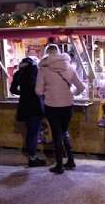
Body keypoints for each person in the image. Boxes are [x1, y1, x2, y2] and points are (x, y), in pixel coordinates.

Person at [36, 44, 85, 174]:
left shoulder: (43, 69)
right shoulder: (68, 66)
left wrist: (48, 91)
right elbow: (81, 87)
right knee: (64, 132)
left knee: (57, 134)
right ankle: (71, 160)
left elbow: (38, 90)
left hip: (52, 106)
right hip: (68, 105)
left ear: (47, 53)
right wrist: (71, 94)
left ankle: (59, 165)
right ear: (59, 52)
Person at [10, 57, 47, 167]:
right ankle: (32, 158)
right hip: (36, 106)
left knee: (30, 133)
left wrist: (23, 93)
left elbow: (12, 90)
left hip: (24, 107)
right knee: (33, 133)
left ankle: (32, 156)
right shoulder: (37, 72)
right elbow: (43, 88)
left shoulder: (18, 73)